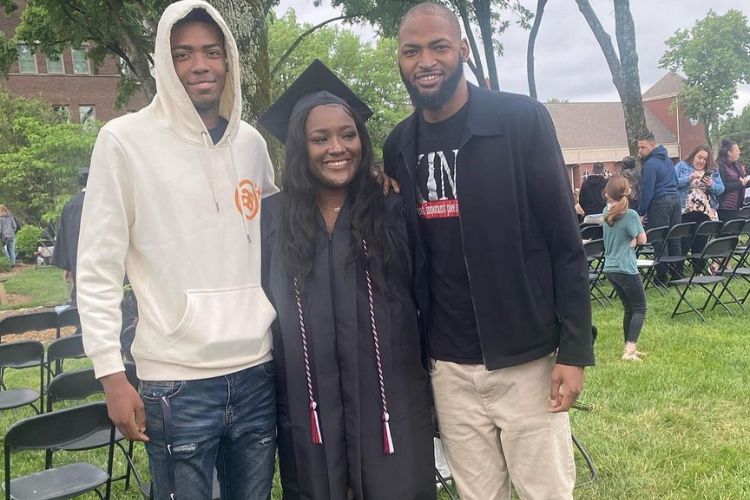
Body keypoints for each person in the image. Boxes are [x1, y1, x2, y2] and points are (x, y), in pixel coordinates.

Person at [383, 3, 594, 499]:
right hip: (448, 366)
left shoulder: (520, 122)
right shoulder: (399, 144)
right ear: (400, 60)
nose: (425, 60)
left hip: (526, 358)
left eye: (438, 46)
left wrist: (576, 350)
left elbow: (566, 243)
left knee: (546, 492)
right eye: (411, 51)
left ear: (462, 49)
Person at [76, 2, 278, 498]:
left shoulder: (250, 144)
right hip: (176, 384)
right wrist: (110, 375)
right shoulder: (123, 141)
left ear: (229, 59)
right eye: (183, 54)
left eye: (212, 52)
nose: (200, 65)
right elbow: (98, 266)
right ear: (164, 65)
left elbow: (278, 236)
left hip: (257, 371)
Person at [259, 60, 435, 500]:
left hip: (390, 401)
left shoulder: (392, 206)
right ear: (301, 148)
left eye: (348, 134)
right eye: (320, 138)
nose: (337, 147)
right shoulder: (274, 220)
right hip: (309, 405)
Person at [602, 176, 647, 361]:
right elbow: (643, 239)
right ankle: (630, 349)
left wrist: (634, 238)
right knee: (640, 308)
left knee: (628, 308)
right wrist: (636, 238)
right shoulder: (631, 215)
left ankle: (628, 347)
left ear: (607, 194)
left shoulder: (606, 212)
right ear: (628, 192)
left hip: (610, 267)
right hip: (626, 267)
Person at [637, 131, 680, 285]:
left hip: (660, 202)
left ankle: (661, 276)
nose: (640, 151)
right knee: (674, 236)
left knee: (659, 240)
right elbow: (675, 180)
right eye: (639, 148)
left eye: (643, 147)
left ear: (652, 145)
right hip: (675, 200)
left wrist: (641, 212)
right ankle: (677, 274)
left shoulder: (650, 165)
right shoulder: (668, 160)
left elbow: (647, 191)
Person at [675, 145, 724, 271]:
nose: (701, 161)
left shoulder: (713, 170)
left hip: (705, 211)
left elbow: (721, 189)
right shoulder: (681, 166)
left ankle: (698, 269)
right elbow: (672, 182)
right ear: (693, 156)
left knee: (701, 239)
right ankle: (678, 269)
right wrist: (688, 179)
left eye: (705, 159)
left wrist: (711, 184)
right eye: (699, 157)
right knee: (684, 240)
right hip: (685, 210)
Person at [52, 167, 89, 304]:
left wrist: (68, 266)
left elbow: (65, 237)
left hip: (78, 262)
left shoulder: (70, 205)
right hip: (106, 260)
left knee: (81, 300)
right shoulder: (106, 202)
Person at [716, 139, 748, 222]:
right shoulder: (719, 166)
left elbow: (742, 184)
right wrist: (740, 183)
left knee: (734, 233)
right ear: (729, 153)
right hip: (724, 207)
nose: (739, 152)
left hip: (736, 206)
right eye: (737, 150)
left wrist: (745, 182)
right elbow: (722, 187)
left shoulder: (736, 166)